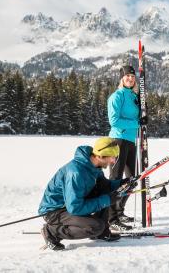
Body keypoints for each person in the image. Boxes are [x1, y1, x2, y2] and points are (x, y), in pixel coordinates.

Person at [38, 137, 135, 250]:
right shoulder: (76, 173)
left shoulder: (94, 166)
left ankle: (102, 232)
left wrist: (122, 183)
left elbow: (105, 186)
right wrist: (107, 200)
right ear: (100, 156)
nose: (113, 161)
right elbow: (75, 208)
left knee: (106, 192)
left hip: (72, 205)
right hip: (55, 211)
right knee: (95, 227)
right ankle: (51, 232)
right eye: (112, 157)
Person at [107, 65, 141, 231]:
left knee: (132, 180)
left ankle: (119, 211)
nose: (130, 78)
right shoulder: (117, 96)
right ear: (121, 78)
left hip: (130, 140)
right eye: (127, 76)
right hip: (118, 140)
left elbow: (138, 116)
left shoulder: (134, 96)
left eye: (132, 76)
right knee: (115, 180)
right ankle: (111, 219)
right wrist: (137, 123)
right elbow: (114, 121)